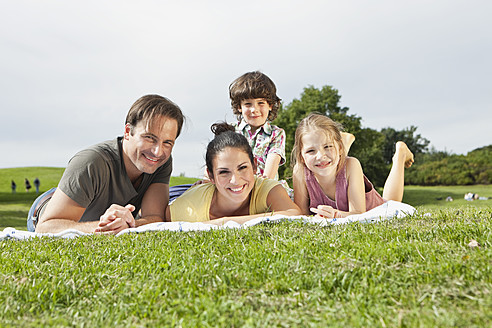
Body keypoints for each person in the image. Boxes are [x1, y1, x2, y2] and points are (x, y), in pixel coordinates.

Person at [31, 94, 185, 234]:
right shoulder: (91, 162)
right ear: (127, 132)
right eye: (149, 138)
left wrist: (128, 226)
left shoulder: (160, 161)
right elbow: (45, 227)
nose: (157, 151)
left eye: (167, 142)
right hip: (52, 208)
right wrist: (106, 226)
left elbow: (155, 217)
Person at [165, 122, 301, 224]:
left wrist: (224, 222)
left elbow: (293, 213)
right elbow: (160, 218)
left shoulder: (266, 188)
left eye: (242, 168)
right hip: (180, 193)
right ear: (211, 176)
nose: (235, 180)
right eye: (224, 172)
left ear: (254, 166)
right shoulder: (188, 207)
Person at [292, 113, 414, 219]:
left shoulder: (351, 165)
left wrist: (335, 215)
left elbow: (358, 214)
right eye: (310, 151)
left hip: (374, 208)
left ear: (340, 148)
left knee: (392, 204)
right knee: (331, 160)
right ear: (301, 156)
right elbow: (303, 215)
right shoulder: (300, 172)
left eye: (328, 146)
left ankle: (400, 155)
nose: (320, 156)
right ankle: (342, 141)